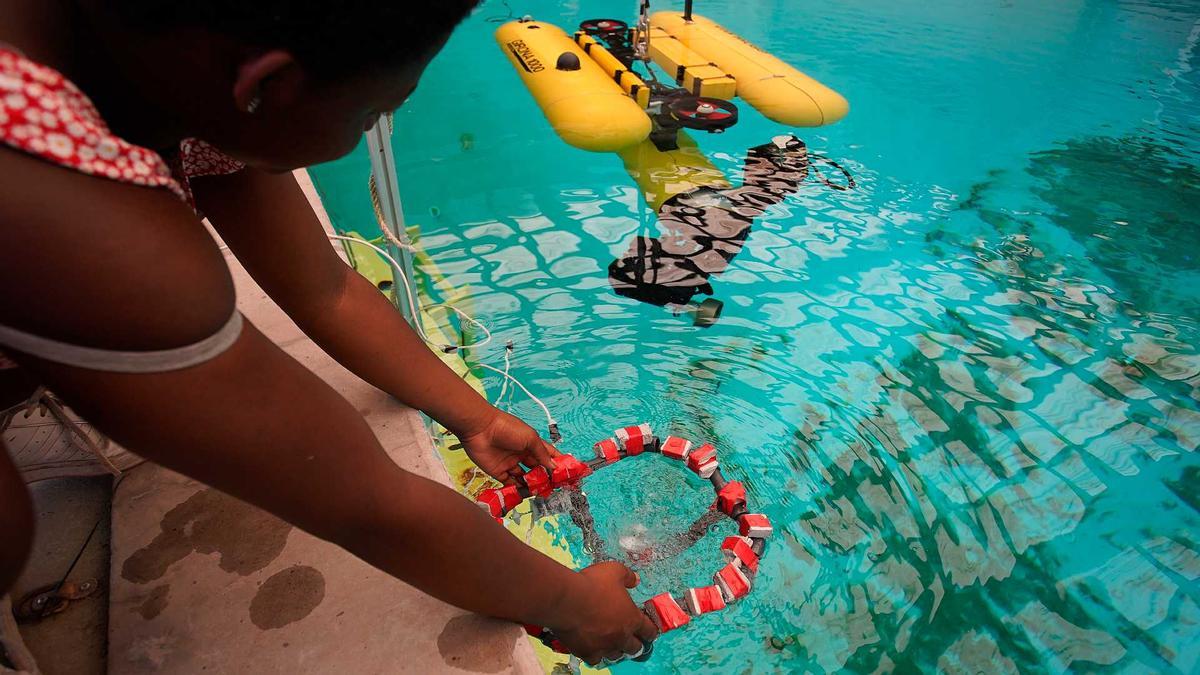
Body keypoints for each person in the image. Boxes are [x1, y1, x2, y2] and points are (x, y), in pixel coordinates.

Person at [0, 0, 656, 666]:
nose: (370, 128)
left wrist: (474, 415)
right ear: (265, 86)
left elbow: (326, 288)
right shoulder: (81, 221)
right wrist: (571, 603)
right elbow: (364, 503)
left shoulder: (163, 70)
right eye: (371, 114)